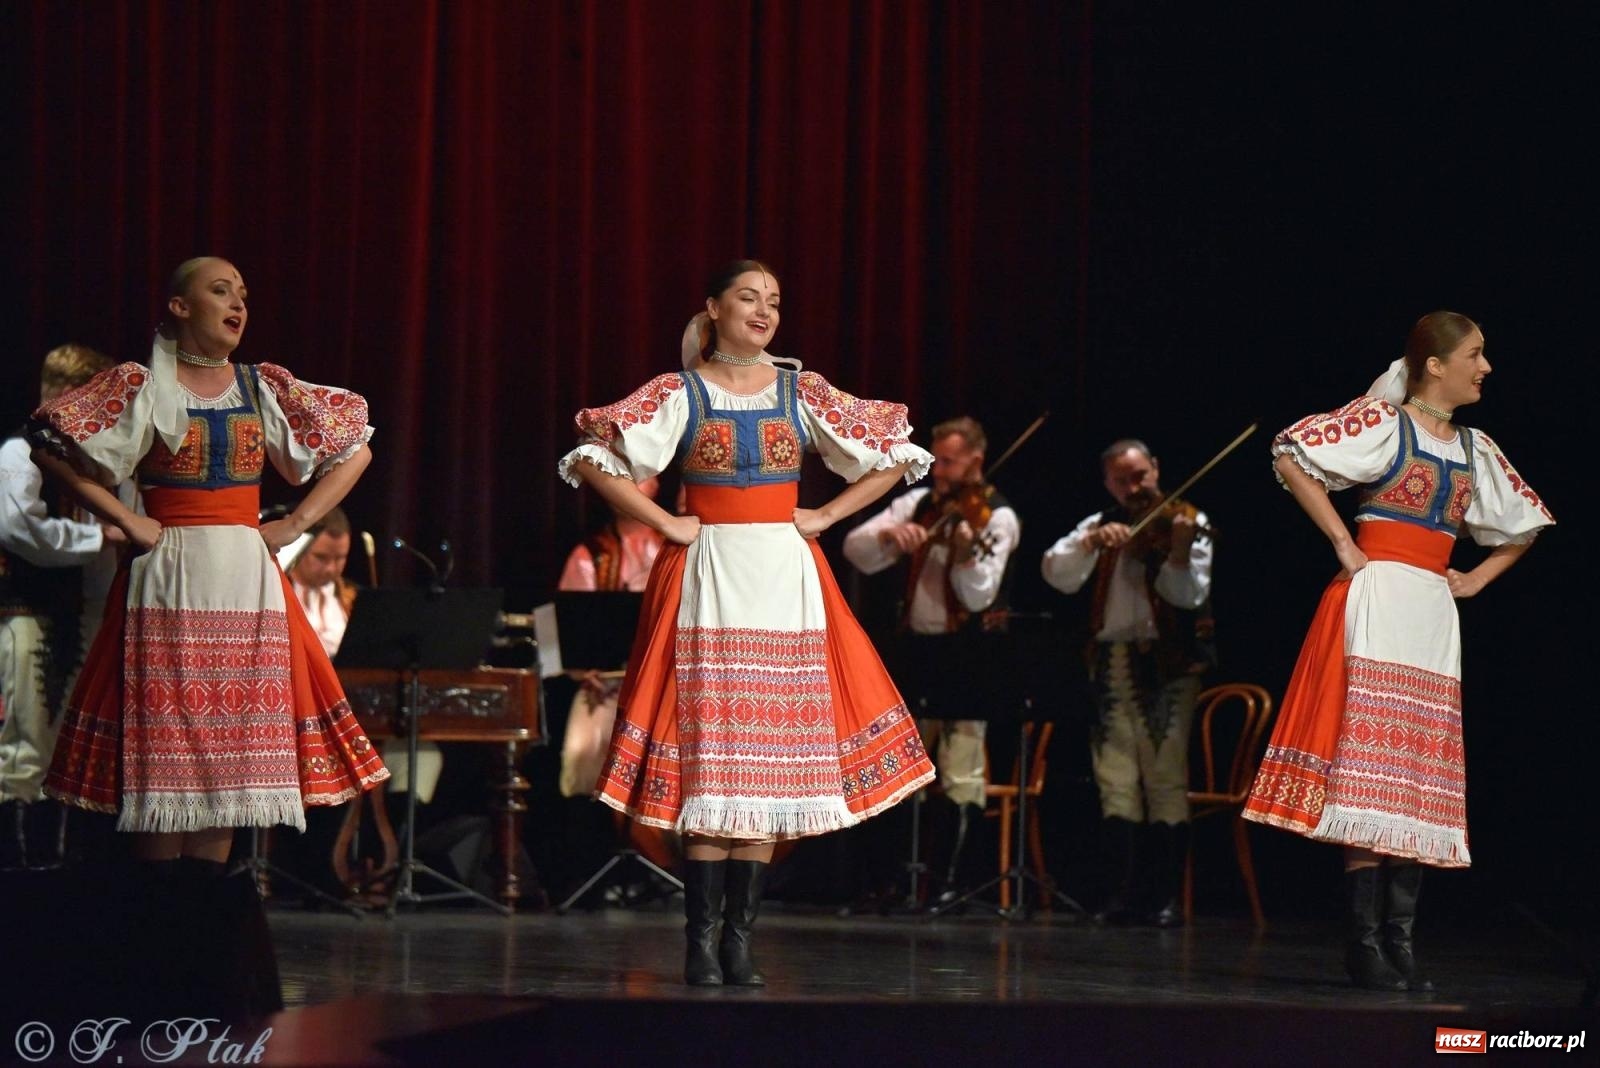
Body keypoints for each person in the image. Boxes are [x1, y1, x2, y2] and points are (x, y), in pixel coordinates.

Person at [28, 256, 389, 1017]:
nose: (238, 304)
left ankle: (199, 971)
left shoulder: (263, 386)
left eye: (244, 294)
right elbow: (48, 442)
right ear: (178, 304)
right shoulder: (140, 383)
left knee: (225, 765)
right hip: (171, 574)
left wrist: (292, 523)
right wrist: (127, 521)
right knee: (168, 768)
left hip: (244, 577)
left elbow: (355, 450)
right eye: (221, 291)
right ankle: (155, 966)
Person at [559, 259, 937, 986]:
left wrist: (825, 514)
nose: (764, 311)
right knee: (715, 750)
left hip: (783, 579)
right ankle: (700, 941)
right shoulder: (682, 392)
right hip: (710, 577)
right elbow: (592, 457)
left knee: (767, 759)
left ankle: (739, 940)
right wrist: (665, 520)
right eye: (748, 298)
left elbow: (896, 455)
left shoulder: (803, 390)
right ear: (714, 307)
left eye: (774, 301)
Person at [1242, 311, 1553, 990]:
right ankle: (1363, 940)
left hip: (1432, 613)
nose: (1486, 366)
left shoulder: (1476, 447)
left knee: (1412, 766)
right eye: (1475, 354)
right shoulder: (1387, 424)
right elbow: (1292, 454)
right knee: (1369, 765)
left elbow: (1523, 526)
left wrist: (1473, 577)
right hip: (1379, 595)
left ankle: (1399, 937)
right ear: (1434, 365)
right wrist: (1343, 542)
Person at [842, 416, 1021, 905]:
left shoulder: (996, 516)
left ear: (976, 461)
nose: (939, 471)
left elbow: (980, 595)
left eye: (949, 461)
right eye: (936, 459)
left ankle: (952, 884)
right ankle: (901, 880)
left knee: (960, 769)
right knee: (906, 771)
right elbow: (854, 547)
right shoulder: (918, 504)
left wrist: (964, 554)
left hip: (968, 653)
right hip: (916, 653)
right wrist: (890, 538)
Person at [1041, 439, 1213, 927]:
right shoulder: (1101, 525)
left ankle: (1161, 897)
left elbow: (1187, 594)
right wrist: (1089, 543)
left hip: (1167, 665)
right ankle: (1120, 893)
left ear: (1156, 468)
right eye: (1122, 480)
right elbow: (1056, 571)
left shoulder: (1187, 520)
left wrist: (1177, 553)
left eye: (1140, 475)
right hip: (1111, 662)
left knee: (1163, 776)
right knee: (1115, 779)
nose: (1134, 487)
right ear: (1108, 484)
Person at [1, 344, 132, 870]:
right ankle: (15, 871)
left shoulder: (97, 468)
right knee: (25, 743)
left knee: (64, 750)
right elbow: (17, 527)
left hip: (82, 617)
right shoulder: (19, 455)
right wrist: (95, 536)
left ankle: (52, 866)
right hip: (27, 617)